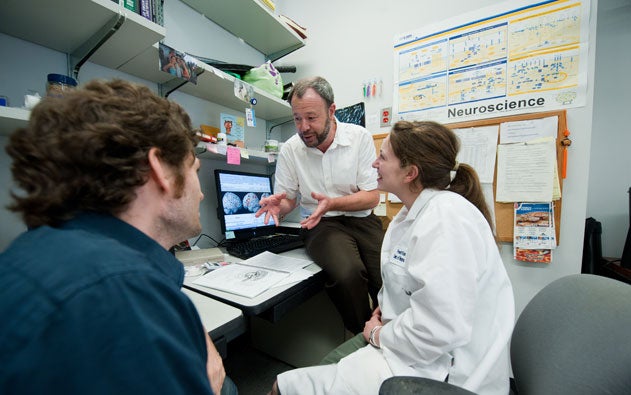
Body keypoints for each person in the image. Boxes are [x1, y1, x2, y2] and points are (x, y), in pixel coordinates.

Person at [0, 79, 237, 395]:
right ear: (161, 170)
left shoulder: (45, 246)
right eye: (193, 168)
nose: (203, 193)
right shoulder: (122, 292)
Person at [269, 120, 515, 395]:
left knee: (283, 387)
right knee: (298, 380)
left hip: (441, 371)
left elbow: (439, 329)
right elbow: (413, 285)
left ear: (410, 172)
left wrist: (377, 333)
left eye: (383, 157)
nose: (375, 164)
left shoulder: (446, 220)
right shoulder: (411, 215)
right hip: (407, 346)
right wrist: (387, 306)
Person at [255, 76, 384, 334]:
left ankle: (395, 332)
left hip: (363, 219)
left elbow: (371, 196)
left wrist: (332, 202)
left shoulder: (359, 138)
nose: (303, 127)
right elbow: (288, 199)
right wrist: (278, 207)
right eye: (297, 119)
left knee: (386, 275)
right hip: (320, 223)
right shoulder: (291, 149)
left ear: (331, 111)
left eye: (311, 118)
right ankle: (362, 337)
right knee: (348, 274)